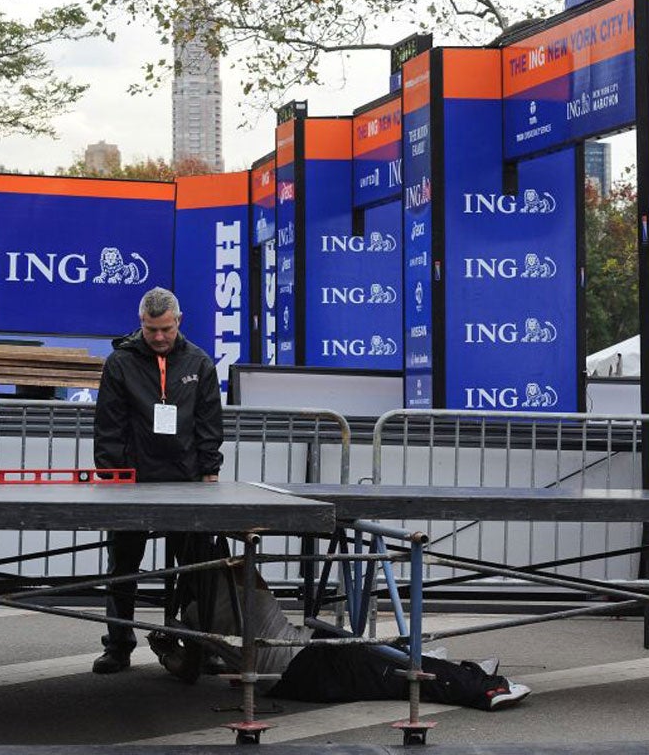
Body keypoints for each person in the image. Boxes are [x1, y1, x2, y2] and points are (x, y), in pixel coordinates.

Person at [148, 564, 532, 711]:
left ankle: (457, 668)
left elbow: (187, 671)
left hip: (293, 669)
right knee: (387, 673)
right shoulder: (244, 586)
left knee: (379, 661)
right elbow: (243, 563)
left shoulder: (190, 621)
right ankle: (485, 688)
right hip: (302, 664)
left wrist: (167, 653)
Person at [92, 286, 224, 674]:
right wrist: (112, 475)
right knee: (123, 568)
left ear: (178, 322)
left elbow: (209, 425)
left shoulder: (200, 363)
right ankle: (118, 645)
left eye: (166, 329)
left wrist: (210, 473)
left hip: (187, 483)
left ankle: (202, 645)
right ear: (141, 325)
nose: (160, 337)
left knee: (198, 570)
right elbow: (109, 426)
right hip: (132, 482)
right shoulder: (120, 363)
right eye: (152, 330)